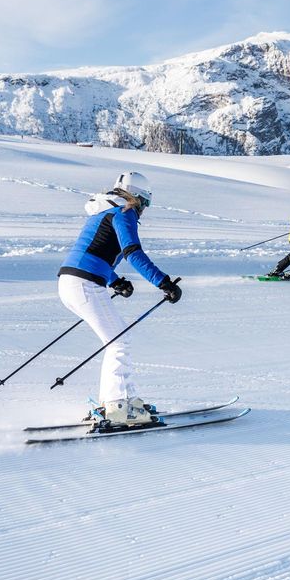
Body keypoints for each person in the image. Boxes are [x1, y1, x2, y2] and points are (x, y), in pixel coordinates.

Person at [57, 171, 182, 427]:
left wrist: (115, 280)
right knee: (119, 341)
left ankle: (117, 401)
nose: (143, 210)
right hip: (85, 284)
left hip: (70, 282)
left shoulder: (105, 210)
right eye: (145, 203)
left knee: (115, 339)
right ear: (137, 198)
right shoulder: (124, 212)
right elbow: (132, 252)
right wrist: (163, 282)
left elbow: (94, 251)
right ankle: (117, 406)